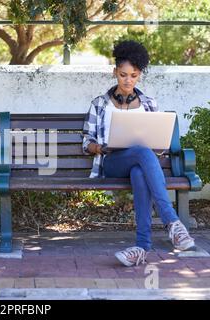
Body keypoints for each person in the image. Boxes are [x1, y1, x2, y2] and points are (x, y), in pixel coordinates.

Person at [82, 40, 195, 267]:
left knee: (140, 171)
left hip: (140, 164)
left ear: (139, 75)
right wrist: (100, 147)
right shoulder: (100, 104)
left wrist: (155, 145)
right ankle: (172, 221)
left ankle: (142, 246)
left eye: (133, 75)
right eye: (123, 74)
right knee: (143, 154)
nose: (128, 80)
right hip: (112, 162)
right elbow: (86, 142)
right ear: (115, 72)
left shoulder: (150, 103)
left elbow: (160, 145)